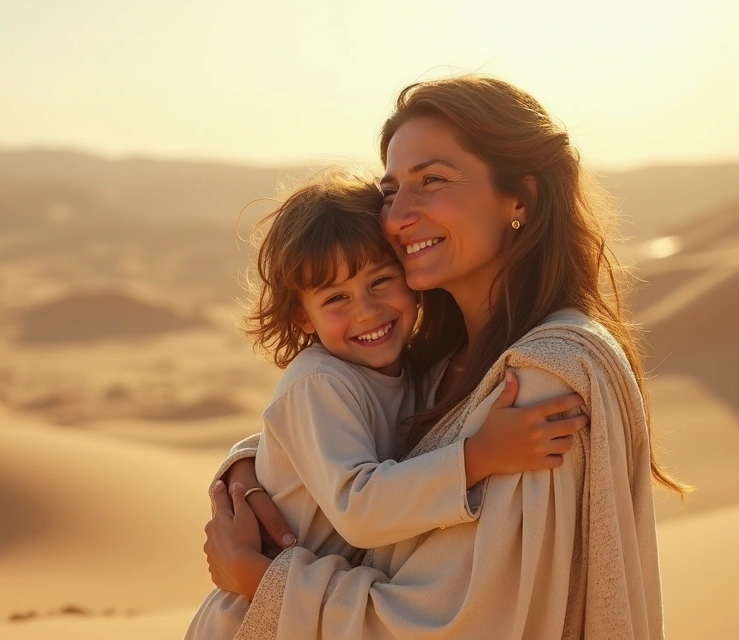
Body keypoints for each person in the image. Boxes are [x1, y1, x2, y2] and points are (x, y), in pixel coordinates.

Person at [203, 75, 688, 639]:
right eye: (389, 192)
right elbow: (338, 433)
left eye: (432, 180)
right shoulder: (436, 364)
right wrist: (245, 472)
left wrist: (263, 580)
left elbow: (465, 619)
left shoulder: (546, 378)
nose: (398, 216)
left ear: (519, 199)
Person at [186, 172, 588, 639]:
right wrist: (481, 455)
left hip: (311, 611)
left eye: (381, 281)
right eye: (336, 297)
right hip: (254, 621)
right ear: (302, 316)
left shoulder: (411, 374)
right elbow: (362, 509)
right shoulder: (317, 382)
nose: (367, 310)